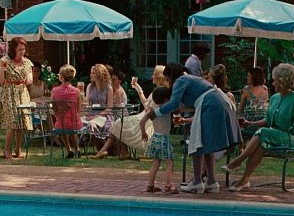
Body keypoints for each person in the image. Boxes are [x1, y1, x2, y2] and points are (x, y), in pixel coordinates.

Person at [145, 62, 240, 194]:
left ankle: (197, 182)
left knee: (197, 142)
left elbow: (173, 103)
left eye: (167, 79)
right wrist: (181, 109)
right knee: (205, 143)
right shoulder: (188, 78)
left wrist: (156, 112)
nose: (168, 83)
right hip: (216, 102)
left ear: (171, 76)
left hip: (210, 104)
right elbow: (192, 103)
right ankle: (211, 181)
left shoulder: (180, 80)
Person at [222, 63, 294, 192]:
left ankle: (238, 161)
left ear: (282, 81)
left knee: (263, 133)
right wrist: (251, 123)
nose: (272, 83)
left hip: (291, 137)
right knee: (261, 145)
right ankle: (244, 180)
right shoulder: (275, 98)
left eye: (275, 80)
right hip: (273, 135)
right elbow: (268, 120)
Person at [91, 66, 168, 159]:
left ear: (159, 77)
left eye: (154, 75)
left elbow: (148, 108)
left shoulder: (160, 91)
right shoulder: (159, 90)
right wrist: (139, 89)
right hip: (145, 116)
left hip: (146, 118)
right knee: (119, 123)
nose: (152, 76)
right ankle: (118, 152)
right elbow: (147, 104)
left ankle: (108, 151)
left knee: (119, 123)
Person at [0, 37, 34, 159]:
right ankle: (6, 149)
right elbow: (1, 81)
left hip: (22, 93)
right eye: (19, 49)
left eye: (23, 49)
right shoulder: (5, 61)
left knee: (23, 123)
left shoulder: (27, 62)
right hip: (9, 93)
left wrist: (28, 79)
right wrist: (2, 69)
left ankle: (18, 149)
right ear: (13, 49)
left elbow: (30, 79)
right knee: (13, 123)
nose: (22, 52)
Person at [140, 86, 176, 193]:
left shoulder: (153, 111)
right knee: (170, 163)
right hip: (164, 139)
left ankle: (150, 185)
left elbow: (142, 122)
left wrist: (143, 133)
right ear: (166, 100)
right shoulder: (166, 109)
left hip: (155, 137)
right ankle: (168, 186)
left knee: (156, 163)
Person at [50, 64, 83, 158]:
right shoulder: (77, 91)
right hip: (75, 122)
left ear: (61, 77)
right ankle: (77, 149)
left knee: (63, 125)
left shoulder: (54, 91)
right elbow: (78, 110)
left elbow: (53, 107)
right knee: (71, 125)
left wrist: (58, 116)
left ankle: (69, 150)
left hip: (61, 122)